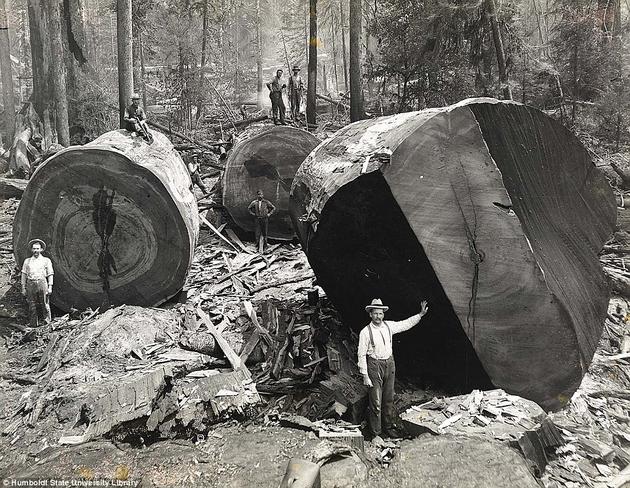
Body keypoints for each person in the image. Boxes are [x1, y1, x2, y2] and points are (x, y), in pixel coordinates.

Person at [357, 298, 429, 443]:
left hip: (389, 363)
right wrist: (365, 375)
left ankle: (389, 428)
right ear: (370, 314)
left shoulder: (388, 326)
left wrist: (420, 315)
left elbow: (405, 324)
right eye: (375, 314)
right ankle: (376, 433)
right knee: (376, 401)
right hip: (374, 365)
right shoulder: (365, 332)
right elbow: (361, 354)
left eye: (381, 313)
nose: (378, 316)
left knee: (388, 399)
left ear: (383, 314)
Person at [21, 239, 54, 327]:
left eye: (37, 248)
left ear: (41, 249)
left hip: (42, 282)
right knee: (32, 304)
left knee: (45, 303)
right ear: (31, 250)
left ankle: (47, 323)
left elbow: (50, 274)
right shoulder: (27, 261)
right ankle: (33, 325)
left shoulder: (46, 260)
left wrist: (50, 286)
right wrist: (23, 287)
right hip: (30, 283)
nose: (36, 250)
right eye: (34, 249)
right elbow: (24, 274)